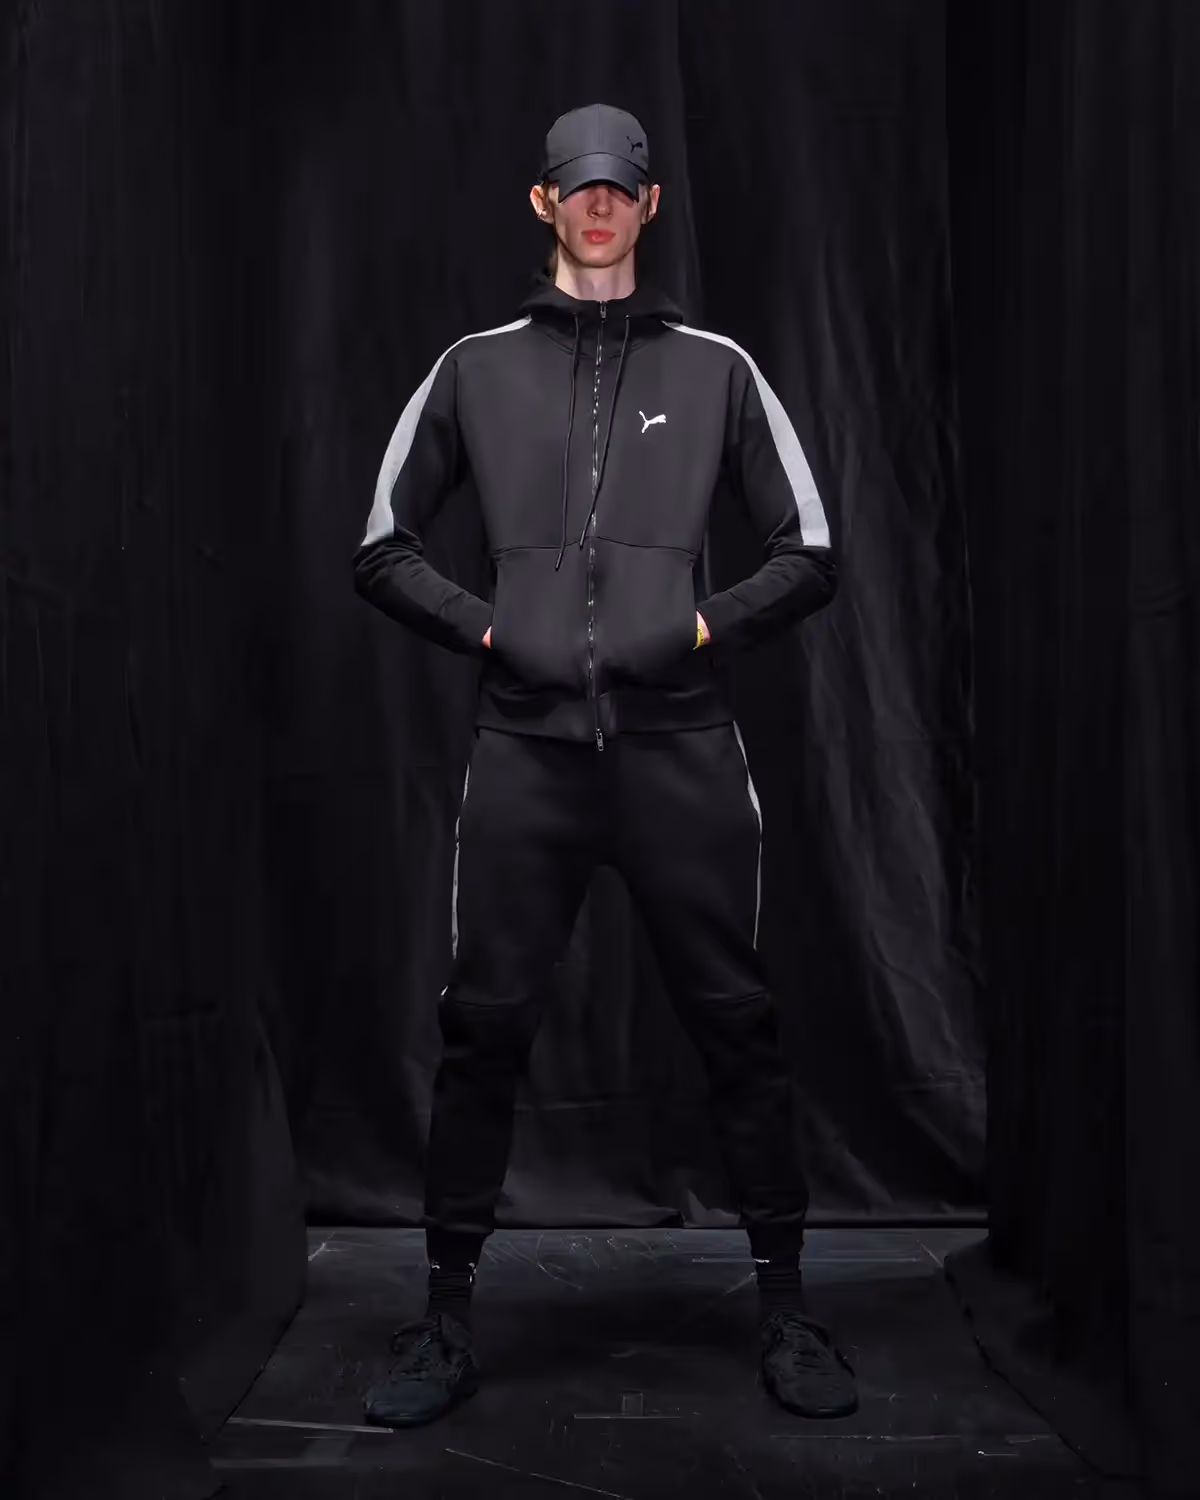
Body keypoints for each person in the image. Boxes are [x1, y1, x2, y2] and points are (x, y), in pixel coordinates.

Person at [353, 103, 854, 1427]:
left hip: (682, 753)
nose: (597, 206)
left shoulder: (717, 369)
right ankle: (444, 1322)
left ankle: (788, 1311)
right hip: (525, 760)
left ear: (649, 203)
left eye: (617, 189)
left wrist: (692, 627)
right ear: (542, 202)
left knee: (739, 1027)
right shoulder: (473, 369)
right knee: (482, 1032)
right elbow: (381, 546)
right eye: (576, 188)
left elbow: (810, 550)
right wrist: (493, 630)